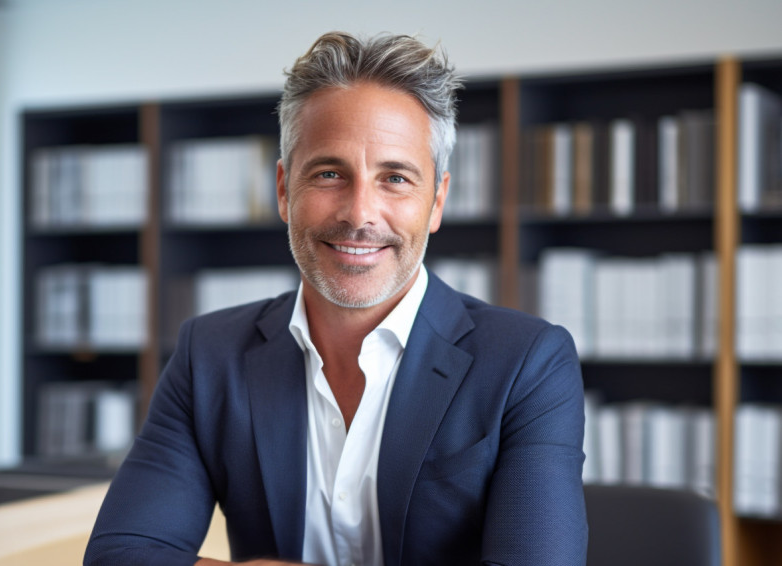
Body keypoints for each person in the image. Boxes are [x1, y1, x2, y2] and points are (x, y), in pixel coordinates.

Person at [84, 31, 587, 566]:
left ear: (436, 201)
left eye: (394, 178)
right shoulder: (208, 354)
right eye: (329, 173)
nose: (359, 213)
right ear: (283, 189)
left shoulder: (528, 364)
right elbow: (122, 555)